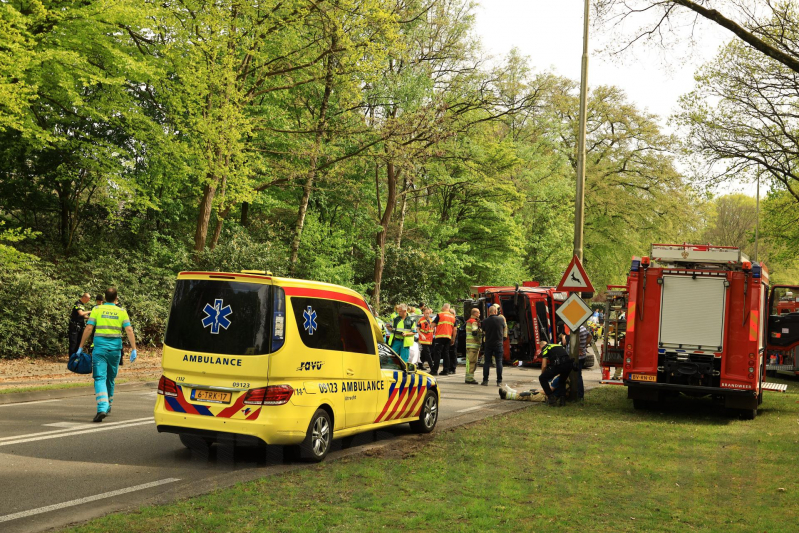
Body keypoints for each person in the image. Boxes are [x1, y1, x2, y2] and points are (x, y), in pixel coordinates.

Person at [75, 287, 137, 422]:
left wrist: (80, 347)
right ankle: (108, 405)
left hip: (100, 349)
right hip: (115, 350)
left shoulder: (97, 309)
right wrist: (134, 348)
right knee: (110, 378)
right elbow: (129, 329)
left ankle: (102, 407)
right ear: (116, 298)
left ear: (104, 298)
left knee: (99, 377)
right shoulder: (121, 311)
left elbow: (89, 328)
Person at [538, 341, 573, 406]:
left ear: (541, 346)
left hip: (559, 364)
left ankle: (551, 399)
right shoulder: (557, 345)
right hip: (569, 364)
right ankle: (562, 401)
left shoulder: (545, 348)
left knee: (542, 378)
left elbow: (544, 365)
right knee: (562, 381)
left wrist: (543, 374)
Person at [481, 305, 505, 386]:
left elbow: (483, 330)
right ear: (495, 311)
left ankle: (485, 381)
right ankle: (499, 381)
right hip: (498, 343)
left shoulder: (485, 321)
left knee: (487, 362)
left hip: (488, 343)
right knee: (499, 362)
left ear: (489, 312)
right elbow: (504, 328)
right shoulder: (501, 319)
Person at [431, 303, 456, 375]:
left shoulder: (440, 314)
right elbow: (455, 330)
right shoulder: (452, 317)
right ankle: (446, 370)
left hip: (439, 336)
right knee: (446, 353)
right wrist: (453, 339)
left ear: (444, 307)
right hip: (448, 337)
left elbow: (433, 325)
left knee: (437, 354)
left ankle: (435, 370)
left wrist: (431, 326)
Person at [575, 324, 592, 401]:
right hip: (583, 356)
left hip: (577, 356)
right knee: (579, 375)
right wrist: (584, 346)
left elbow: (577, 339)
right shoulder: (583, 327)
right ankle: (579, 395)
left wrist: (578, 348)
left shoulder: (575, 328)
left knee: (576, 376)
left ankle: (579, 395)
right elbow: (590, 336)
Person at [464, 308, 482, 384]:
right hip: (474, 345)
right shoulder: (474, 322)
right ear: (475, 313)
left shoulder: (469, 321)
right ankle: (470, 378)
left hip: (469, 344)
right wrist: (480, 334)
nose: (479, 314)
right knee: (472, 362)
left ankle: (468, 377)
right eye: (479, 313)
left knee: (469, 362)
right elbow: (474, 332)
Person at [417, 307, 435, 371]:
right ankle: (432, 367)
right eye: (426, 313)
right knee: (427, 353)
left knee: (424, 353)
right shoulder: (420, 320)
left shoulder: (431, 320)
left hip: (429, 338)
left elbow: (432, 329)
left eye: (428, 313)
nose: (428, 314)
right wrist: (421, 335)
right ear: (423, 313)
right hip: (423, 339)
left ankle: (420, 364)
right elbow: (418, 329)